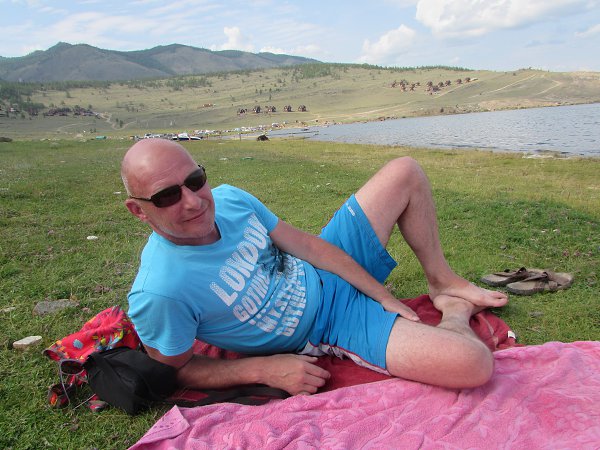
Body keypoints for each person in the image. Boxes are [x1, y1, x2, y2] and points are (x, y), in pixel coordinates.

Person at [121, 138, 508, 396]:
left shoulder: (231, 200)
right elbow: (174, 369)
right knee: (473, 364)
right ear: (139, 210)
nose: (193, 201)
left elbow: (307, 246)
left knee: (405, 171)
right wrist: (263, 370)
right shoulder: (160, 291)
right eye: (167, 196)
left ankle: (442, 282)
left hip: (321, 269)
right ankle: (455, 311)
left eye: (195, 180)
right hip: (329, 323)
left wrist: (381, 294)